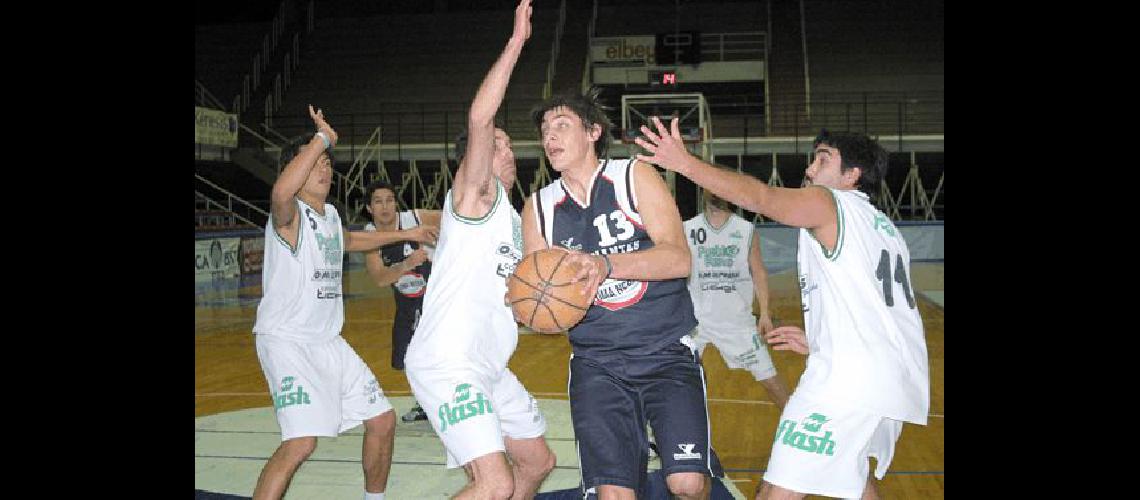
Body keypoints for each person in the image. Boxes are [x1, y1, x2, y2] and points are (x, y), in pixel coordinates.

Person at [635, 119, 929, 500]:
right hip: (884, 376)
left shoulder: (830, 202)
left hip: (848, 380)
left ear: (852, 175)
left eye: (823, 160)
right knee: (852, 477)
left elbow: (761, 198)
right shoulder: (882, 227)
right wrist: (823, 342)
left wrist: (685, 163)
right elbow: (880, 310)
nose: (809, 169)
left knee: (778, 489)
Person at [521, 90, 712, 500]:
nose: (549, 137)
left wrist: (605, 264)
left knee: (688, 484)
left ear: (593, 132)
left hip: (664, 351)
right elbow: (542, 299)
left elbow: (679, 259)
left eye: (561, 126)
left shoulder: (633, 176)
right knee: (613, 495)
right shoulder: (538, 208)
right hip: (597, 363)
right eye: (544, 131)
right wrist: (531, 308)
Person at [403, 1, 556, 498]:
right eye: (498, 144)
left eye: (509, 145)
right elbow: (479, 116)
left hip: (488, 364)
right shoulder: (474, 198)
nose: (506, 150)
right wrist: (515, 45)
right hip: (448, 362)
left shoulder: (516, 218)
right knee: (492, 485)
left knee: (537, 462)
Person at [251, 105, 439, 500]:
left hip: (328, 342)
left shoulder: (332, 216)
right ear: (296, 169)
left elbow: (352, 241)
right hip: (288, 341)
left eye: (326, 161)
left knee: (383, 421)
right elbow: (280, 191)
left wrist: (411, 233)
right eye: (315, 162)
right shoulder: (289, 215)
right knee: (301, 442)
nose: (325, 168)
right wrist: (322, 137)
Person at [683, 188, 791, 411]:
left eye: (718, 189)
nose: (714, 194)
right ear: (703, 193)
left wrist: (765, 313)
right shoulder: (688, 228)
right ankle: (661, 437)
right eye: (710, 189)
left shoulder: (745, 229)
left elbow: (759, 272)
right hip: (696, 321)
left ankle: (797, 422)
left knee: (770, 381)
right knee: (682, 380)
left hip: (736, 321)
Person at [361, 180, 441, 423]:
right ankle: (426, 403)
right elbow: (380, 278)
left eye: (389, 200)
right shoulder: (370, 235)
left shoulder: (416, 218)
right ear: (369, 208)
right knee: (406, 358)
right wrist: (407, 263)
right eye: (378, 201)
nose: (385, 206)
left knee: (437, 353)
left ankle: (442, 402)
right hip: (407, 302)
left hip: (437, 297)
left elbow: (455, 216)